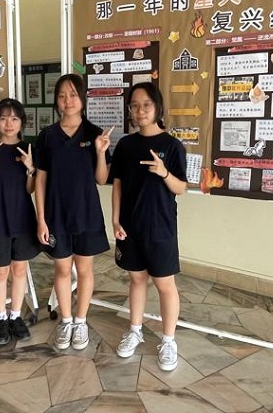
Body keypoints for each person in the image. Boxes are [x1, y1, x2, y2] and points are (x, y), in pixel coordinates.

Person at [111, 83, 187, 371]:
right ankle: (135, 330)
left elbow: (181, 188)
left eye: (146, 105)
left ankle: (168, 341)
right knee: (137, 280)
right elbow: (117, 185)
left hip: (160, 226)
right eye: (134, 105)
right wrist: (115, 220)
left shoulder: (172, 146)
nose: (140, 110)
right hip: (129, 226)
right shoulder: (125, 145)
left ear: (157, 108)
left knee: (165, 284)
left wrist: (164, 172)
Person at [34, 73, 112, 351]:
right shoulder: (47, 136)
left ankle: (80, 322)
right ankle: (66, 320)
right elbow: (40, 180)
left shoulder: (94, 134)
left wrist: (100, 152)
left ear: (83, 98)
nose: (68, 101)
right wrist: (41, 219)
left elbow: (101, 179)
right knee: (62, 268)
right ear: (56, 100)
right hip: (56, 214)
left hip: (86, 213)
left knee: (85, 269)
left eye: (73, 95)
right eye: (62, 95)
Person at [0, 98, 39, 345]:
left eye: (14, 118)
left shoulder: (27, 149)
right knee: (0, 270)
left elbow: (30, 189)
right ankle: (0, 317)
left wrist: (30, 168)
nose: (9, 123)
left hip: (22, 217)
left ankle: (16, 315)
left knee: (20, 269)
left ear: (22, 122)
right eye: (3, 118)